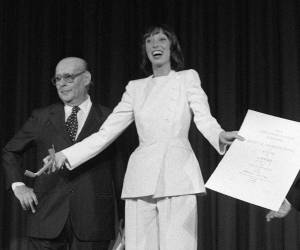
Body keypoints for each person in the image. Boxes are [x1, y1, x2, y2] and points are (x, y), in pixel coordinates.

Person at [50, 26, 243, 250]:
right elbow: (106, 133)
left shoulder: (187, 78)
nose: (155, 45)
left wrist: (219, 134)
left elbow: (204, 117)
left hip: (178, 174)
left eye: (162, 39)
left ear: (172, 48)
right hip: (140, 176)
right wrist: (66, 154)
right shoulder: (135, 88)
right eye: (149, 41)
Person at [1, 57, 124, 250]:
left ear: (86, 78)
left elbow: (120, 170)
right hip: (47, 217)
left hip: (94, 219)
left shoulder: (110, 118)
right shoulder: (42, 116)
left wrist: (124, 220)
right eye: (57, 79)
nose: (62, 84)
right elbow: (10, 151)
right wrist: (19, 186)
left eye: (68, 77)